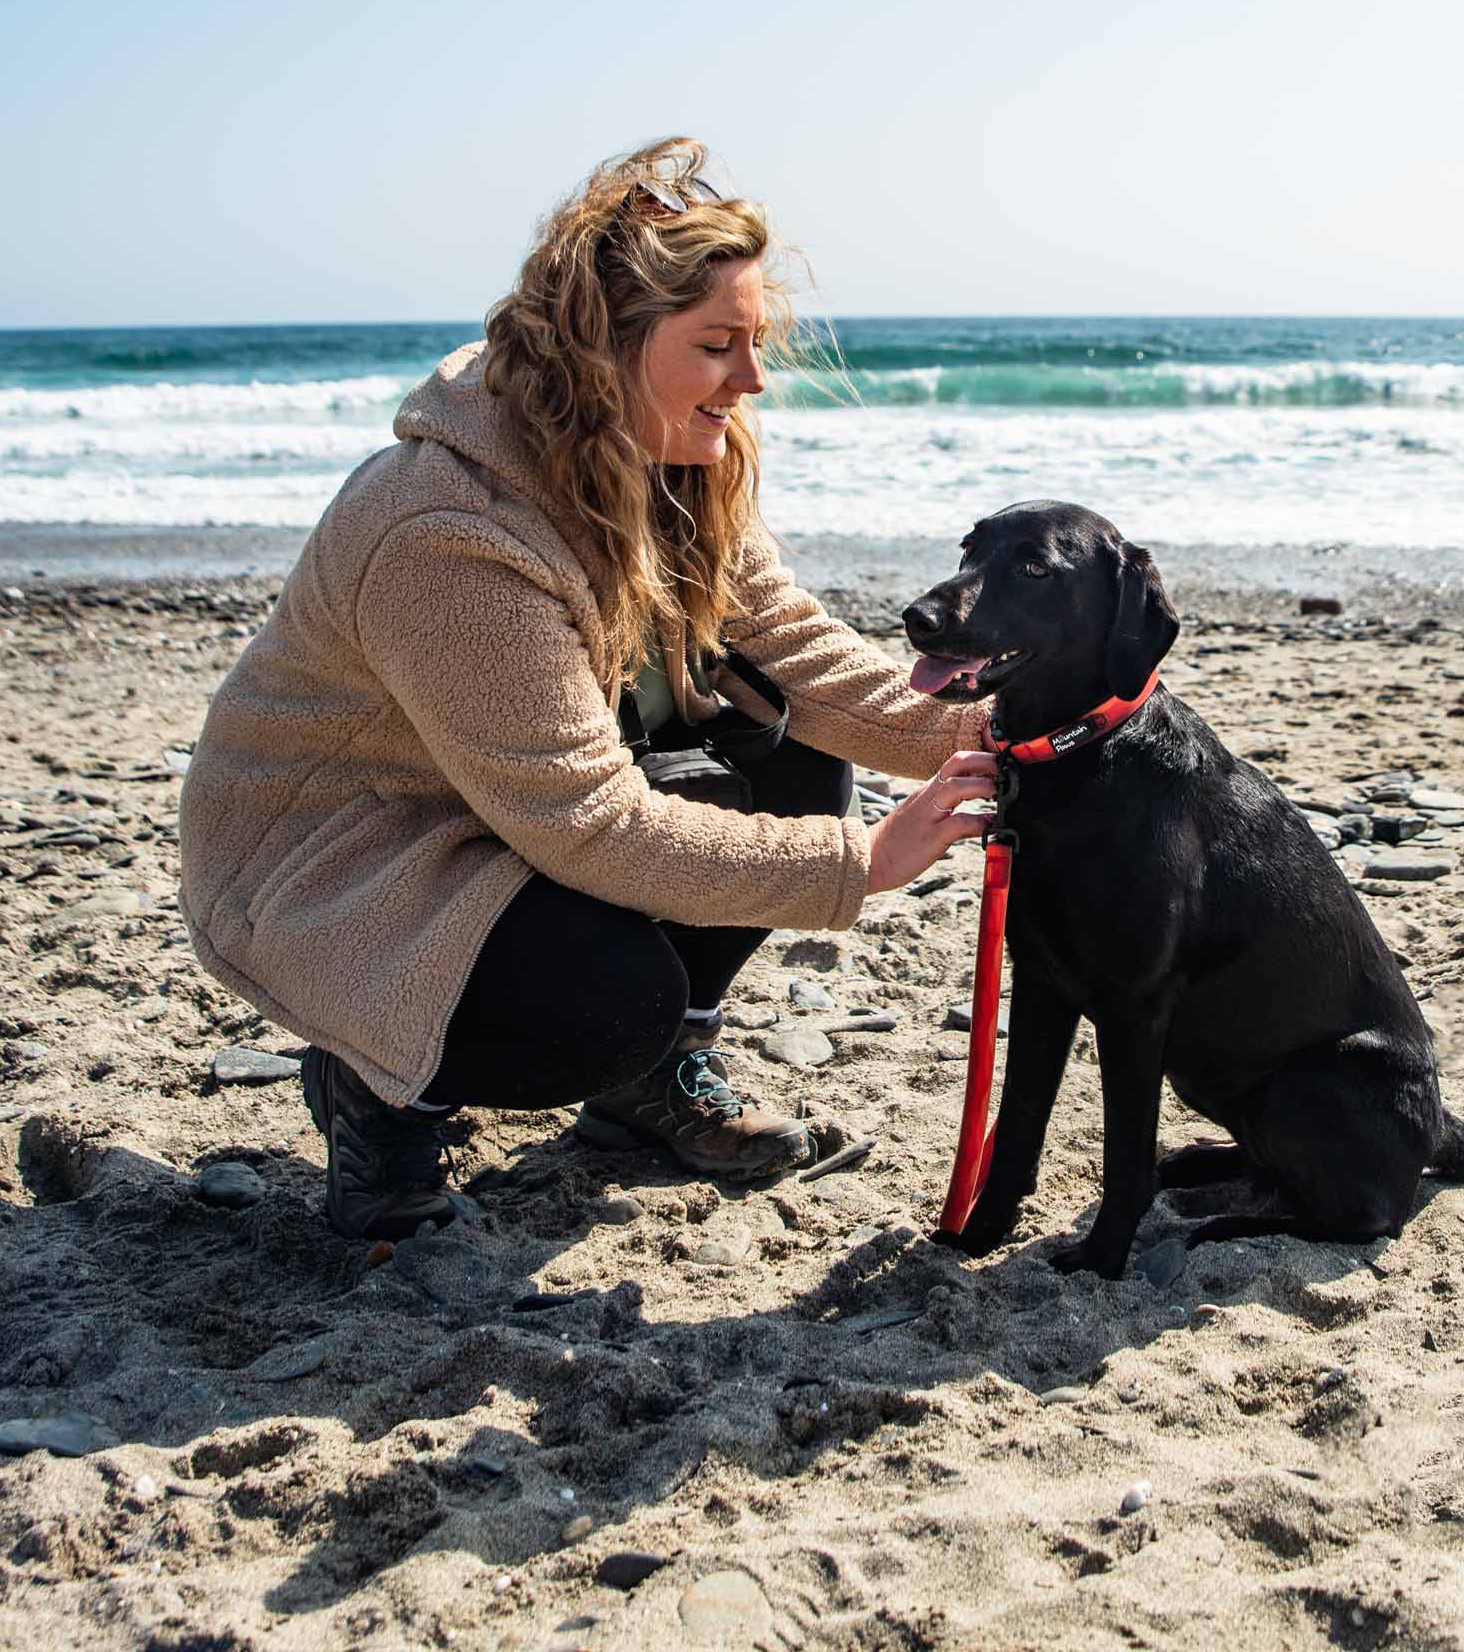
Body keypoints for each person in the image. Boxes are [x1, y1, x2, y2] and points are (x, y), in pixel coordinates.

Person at [177, 139, 997, 1239]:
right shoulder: (446, 529)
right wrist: (867, 861)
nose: (751, 382)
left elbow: (801, 656)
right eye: (717, 346)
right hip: (341, 869)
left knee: (793, 747)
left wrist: (1025, 729)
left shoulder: (669, 458)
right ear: (605, 347)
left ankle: (651, 1083)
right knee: (609, 1003)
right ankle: (380, 1088)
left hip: (499, 807)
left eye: (757, 344)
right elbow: (590, 826)